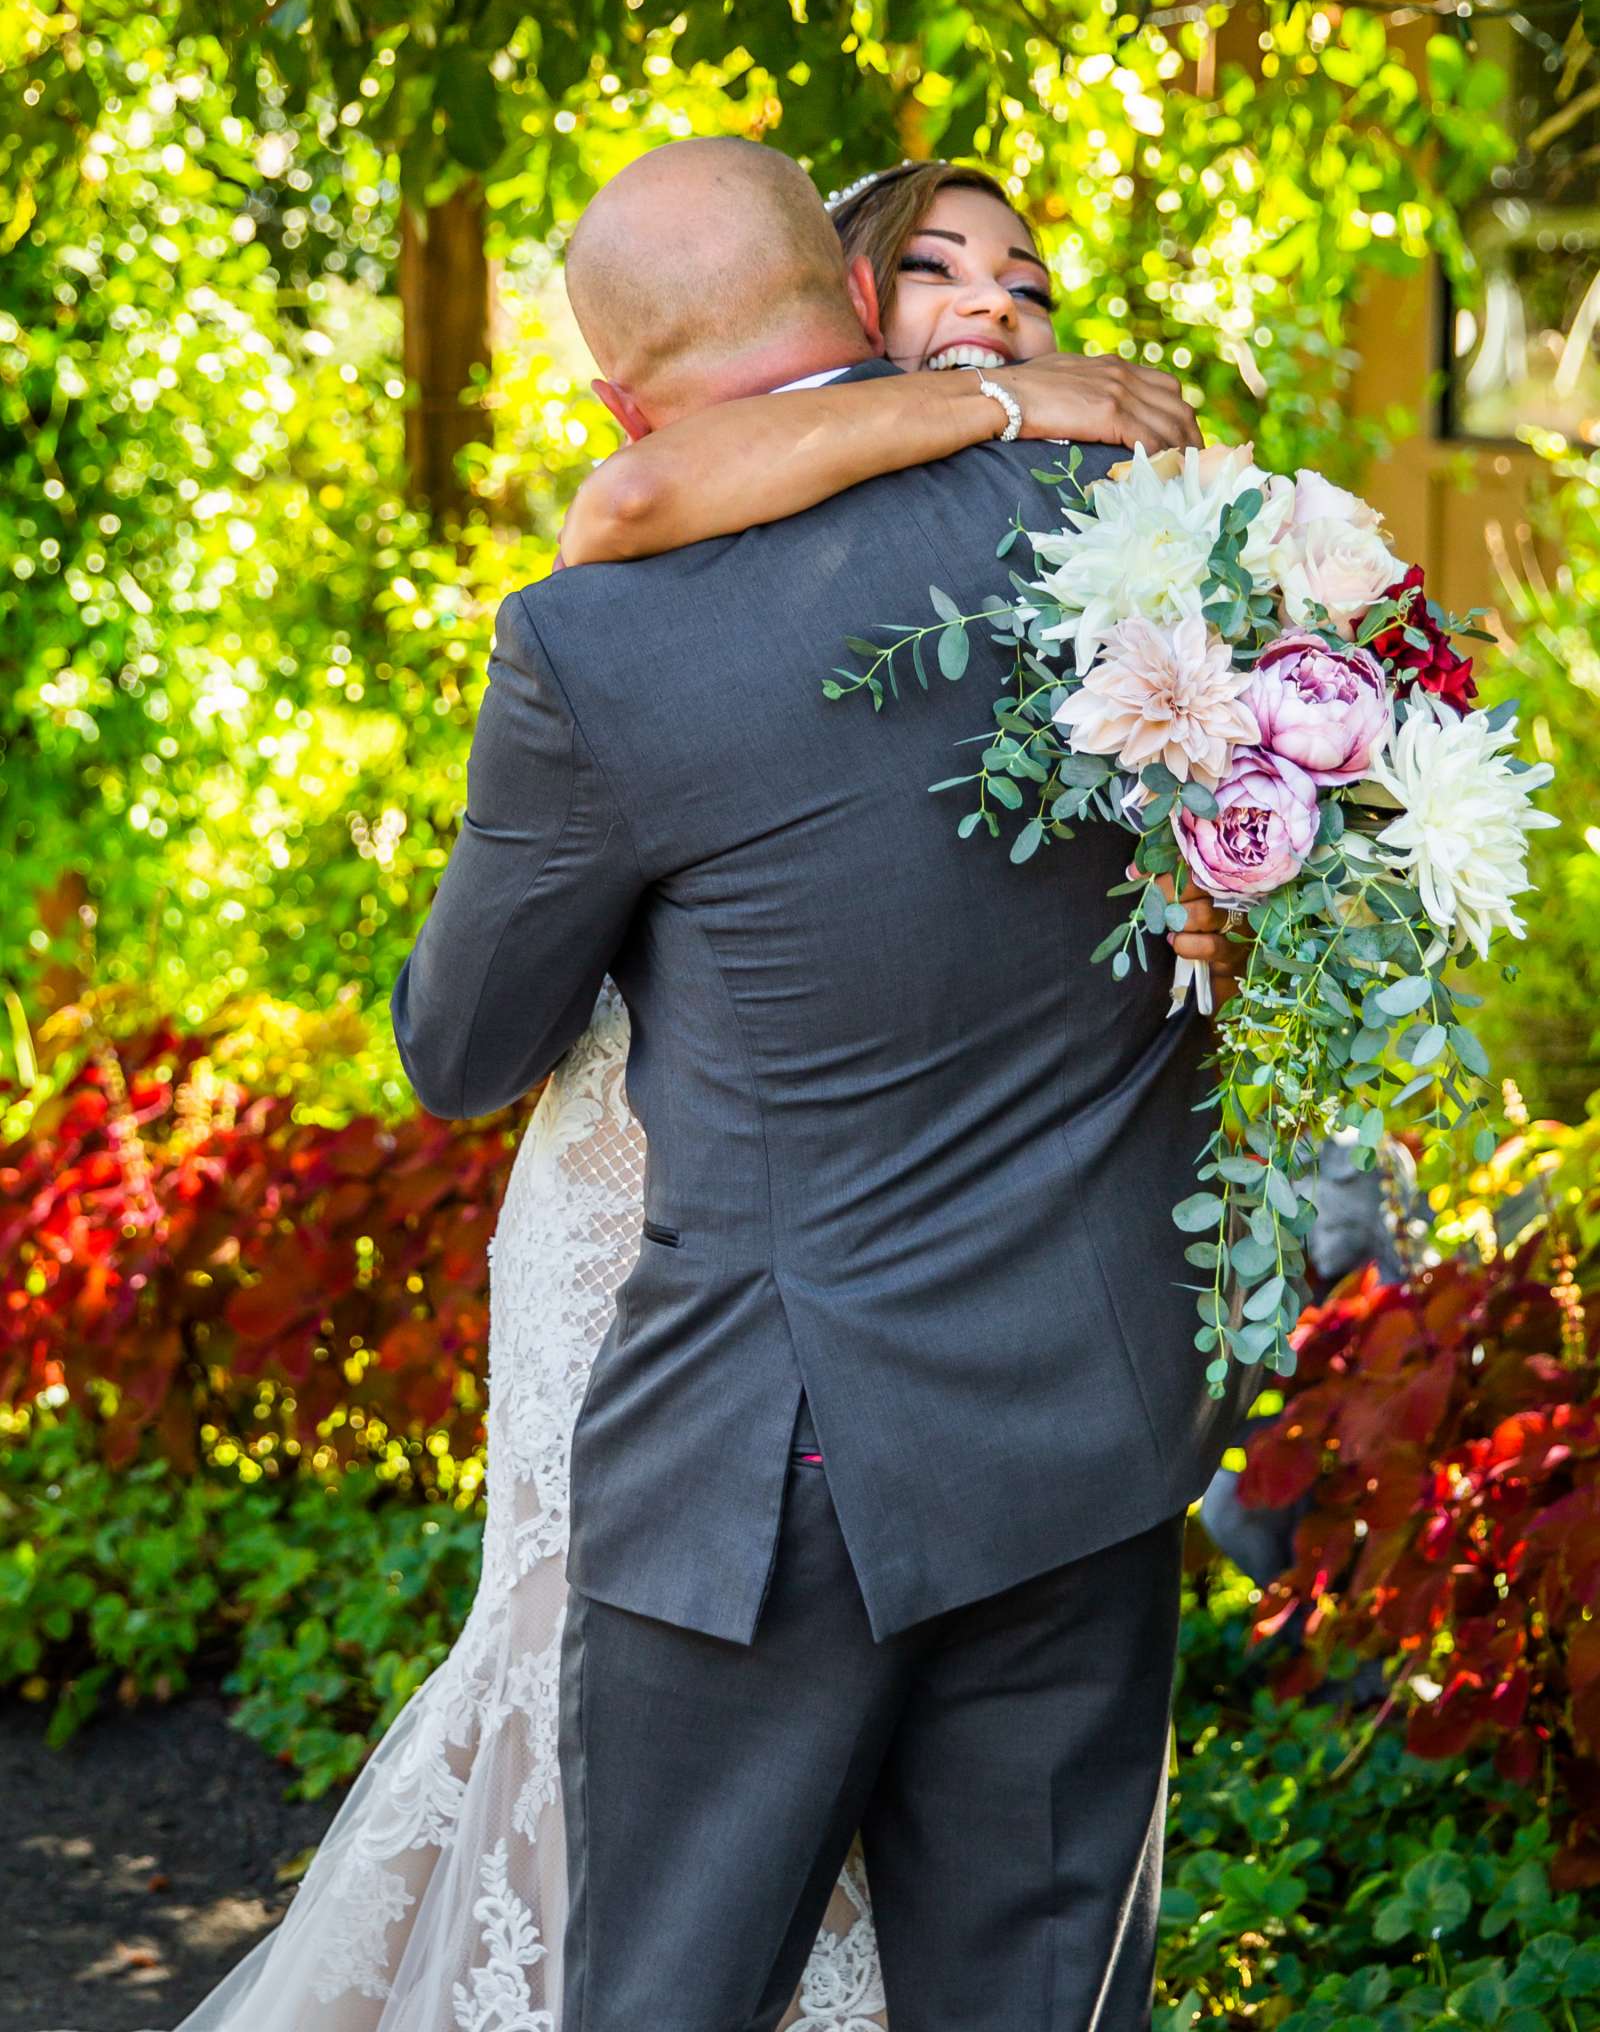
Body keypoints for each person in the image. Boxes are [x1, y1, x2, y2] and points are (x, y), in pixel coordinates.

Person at [156, 147, 1244, 2032]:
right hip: (1090, 1427)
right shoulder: (1148, 523)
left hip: (775, 1469)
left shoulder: (602, 639)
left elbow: (465, 1048)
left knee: (671, 1991)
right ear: (852, 296)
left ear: (616, 394)